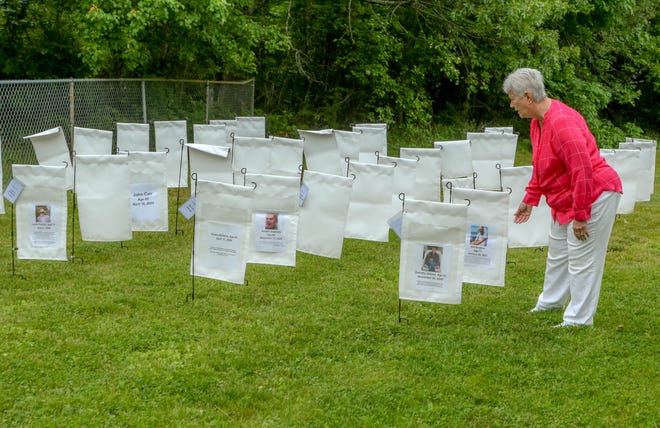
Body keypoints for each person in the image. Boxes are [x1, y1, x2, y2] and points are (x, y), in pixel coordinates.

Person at [503, 68, 622, 328]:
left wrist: (581, 216)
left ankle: (578, 320)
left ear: (528, 96)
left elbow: (583, 170)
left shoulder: (562, 123)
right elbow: (541, 164)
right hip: (566, 196)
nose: (512, 105)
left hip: (595, 193)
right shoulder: (538, 123)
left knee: (582, 257)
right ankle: (551, 302)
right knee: (558, 250)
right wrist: (530, 198)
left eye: (513, 98)